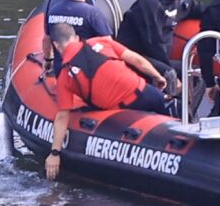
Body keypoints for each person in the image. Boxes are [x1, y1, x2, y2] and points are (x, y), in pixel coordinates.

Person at [45, 22, 169, 181]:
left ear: (56, 45)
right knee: (170, 111)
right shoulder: (102, 42)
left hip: (124, 113)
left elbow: (62, 116)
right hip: (146, 94)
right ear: (76, 37)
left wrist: (54, 153)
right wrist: (157, 76)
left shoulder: (65, 76)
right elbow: (137, 60)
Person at [118, 0, 205, 71]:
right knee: (175, 74)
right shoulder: (149, 4)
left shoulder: (175, 2)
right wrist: (169, 71)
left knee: (196, 71)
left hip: (160, 59)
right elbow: (154, 44)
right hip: (138, 58)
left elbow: (196, 7)